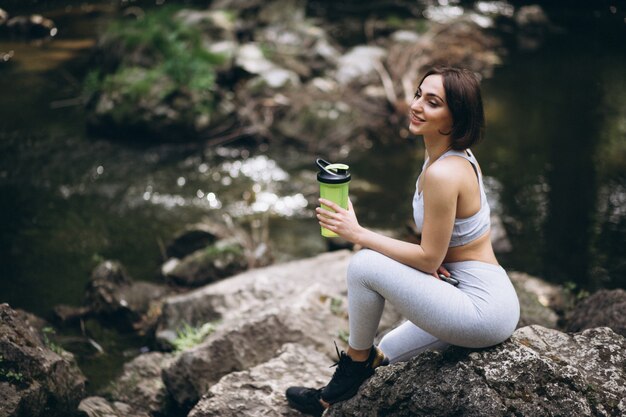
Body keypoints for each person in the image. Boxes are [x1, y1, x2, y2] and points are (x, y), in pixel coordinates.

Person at [285, 66, 520, 416]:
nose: (417, 105)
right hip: (470, 291)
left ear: (456, 118)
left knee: (363, 265)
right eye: (419, 95)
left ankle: (354, 363)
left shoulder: (443, 172)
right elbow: (442, 249)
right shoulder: (446, 157)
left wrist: (357, 233)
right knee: (390, 347)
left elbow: (427, 258)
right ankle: (327, 401)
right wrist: (434, 262)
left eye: (433, 102)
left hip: (481, 310)